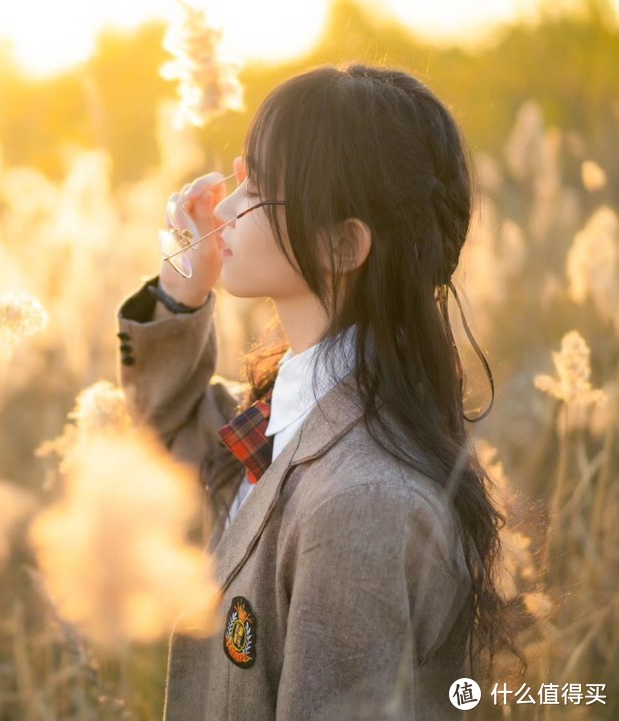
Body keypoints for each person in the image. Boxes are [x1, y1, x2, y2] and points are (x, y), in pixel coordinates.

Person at [115, 64, 523, 720]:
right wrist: (180, 290)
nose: (221, 207)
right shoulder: (295, 407)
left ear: (341, 243)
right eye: (239, 174)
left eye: (257, 188)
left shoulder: (360, 504)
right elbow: (174, 453)